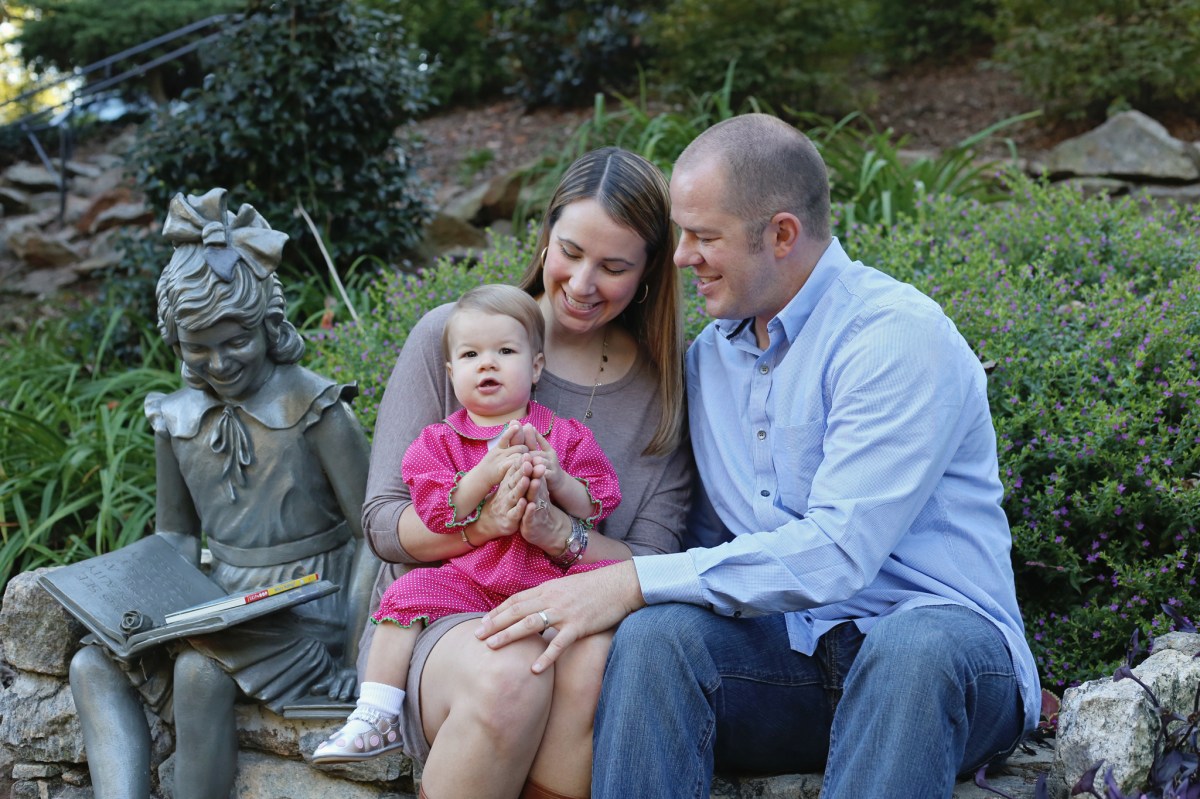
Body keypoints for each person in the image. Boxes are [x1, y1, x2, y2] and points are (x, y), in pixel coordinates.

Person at [475, 113, 1042, 798]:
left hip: (941, 660)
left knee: (909, 650)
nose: (680, 256)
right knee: (658, 639)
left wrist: (628, 582)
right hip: (789, 664)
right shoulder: (709, 363)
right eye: (682, 233)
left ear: (782, 235)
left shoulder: (893, 339)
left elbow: (839, 552)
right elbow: (707, 550)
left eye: (704, 236)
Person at [359, 146, 692, 799]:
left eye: (614, 267)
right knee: (510, 671)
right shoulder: (457, 339)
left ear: (649, 272)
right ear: (545, 238)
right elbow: (383, 522)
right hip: (435, 613)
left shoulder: (666, 392)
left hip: (575, 612)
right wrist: (484, 525)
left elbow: (653, 562)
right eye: (570, 251)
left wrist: (560, 535)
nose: (583, 283)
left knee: (589, 663)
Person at [68, 189, 376, 799]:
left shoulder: (316, 408)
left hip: (310, 604)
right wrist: (133, 608)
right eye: (197, 347)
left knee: (198, 671)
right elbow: (176, 534)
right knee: (91, 663)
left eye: (235, 340)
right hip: (218, 598)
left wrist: (355, 651)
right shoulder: (174, 417)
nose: (219, 361)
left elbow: (374, 531)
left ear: (269, 325)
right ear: (175, 342)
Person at [313, 284, 622, 764]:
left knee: (600, 626)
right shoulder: (440, 441)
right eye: (471, 354)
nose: (487, 364)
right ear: (451, 372)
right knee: (405, 594)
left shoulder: (561, 436)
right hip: (470, 578)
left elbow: (598, 502)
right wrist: (483, 475)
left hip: (547, 580)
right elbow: (439, 512)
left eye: (505, 352)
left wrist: (560, 480)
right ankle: (375, 714)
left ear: (535, 367)